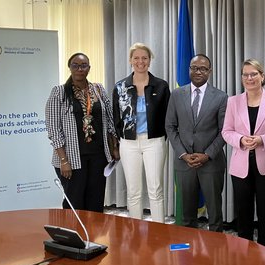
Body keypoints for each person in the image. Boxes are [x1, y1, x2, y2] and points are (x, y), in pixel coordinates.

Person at [46, 52, 119, 212]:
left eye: (83, 65)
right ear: (69, 68)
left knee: (95, 201)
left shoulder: (98, 89)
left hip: (98, 156)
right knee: (75, 202)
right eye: (76, 65)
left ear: (89, 68)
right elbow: (53, 129)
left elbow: (110, 120)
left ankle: (93, 236)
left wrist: (114, 147)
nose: (80, 69)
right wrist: (64, 161)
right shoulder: (59, 92)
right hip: (71, 159)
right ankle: (72, 236)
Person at [222, 59, 265, 249]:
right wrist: (240, 140)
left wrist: (263, 140)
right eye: (245, 74)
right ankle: (244, 253)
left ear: (262, 76)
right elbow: (226, 131)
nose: (249, 78)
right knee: (243, 212)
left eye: (254, 73)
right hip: (240, 167)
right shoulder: (233, 101)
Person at [165, 54, 228, 232]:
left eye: (203, 68)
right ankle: (188, 255)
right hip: (184, 162)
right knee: (186, 216)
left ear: (210, 71)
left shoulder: (221, 97)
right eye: (194, 68)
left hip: (211, 162)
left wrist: (207, 154)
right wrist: (183, 154)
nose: (198, 71)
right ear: (189, 69)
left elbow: (225, 131)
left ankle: (215, 254)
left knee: (215, 215)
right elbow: (170, 126)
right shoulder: (177, 94)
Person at [113, 43, 171, 223]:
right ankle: (135, 231)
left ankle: (159, 230)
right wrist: (118, 142)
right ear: (130, 60)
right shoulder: (120, 87)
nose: (140, 62)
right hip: (128, 143)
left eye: (144, 58)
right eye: (136, 58)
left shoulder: (161, 86)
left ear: (150, 60)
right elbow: (116, 118)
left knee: (156, 189)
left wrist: (162, 137)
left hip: (154, 142)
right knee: (134, 191)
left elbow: (168, 116)